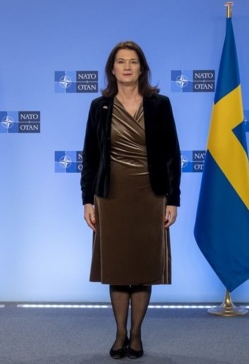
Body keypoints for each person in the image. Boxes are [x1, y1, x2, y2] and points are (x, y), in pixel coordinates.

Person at [81, 41, 180, 360]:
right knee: (118, 268)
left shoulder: (160, 104)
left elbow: (172, 155)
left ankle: (136, 335)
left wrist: (172, 199)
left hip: (151, 195)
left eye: (133, 62)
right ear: (112, 68)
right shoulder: (100, 106)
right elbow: (91, 158)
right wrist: (87, 200)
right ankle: (119, 333)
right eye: (121, 61)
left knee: (142, 267)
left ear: (142, 68)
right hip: (111, 196)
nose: (126, 67)